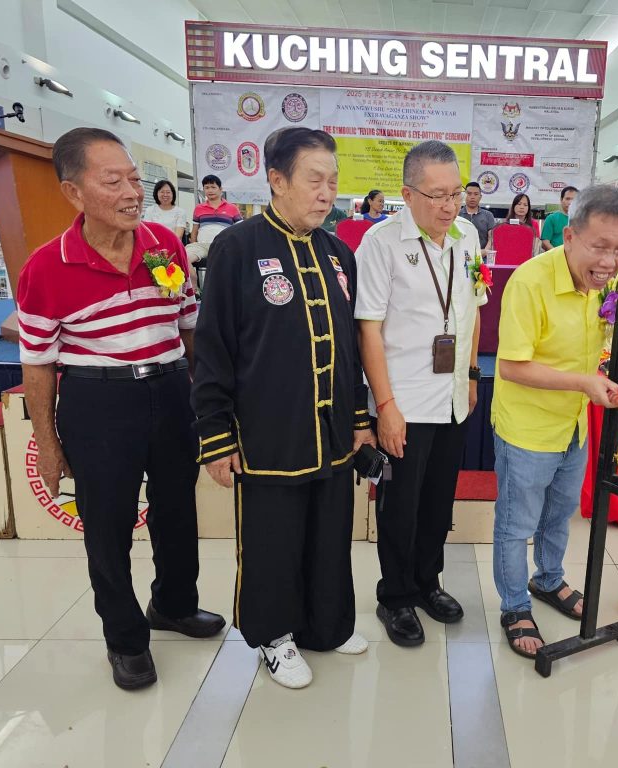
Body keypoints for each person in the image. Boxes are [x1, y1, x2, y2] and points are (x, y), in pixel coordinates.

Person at [17, 127, 225, 691]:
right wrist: (49, 444)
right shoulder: (46, 267)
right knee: (107, 526)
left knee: (177, 508)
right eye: (114, 181)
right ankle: (125, 639)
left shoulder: (165, 245)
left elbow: (190, 328)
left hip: (171, 390)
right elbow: (36, 365)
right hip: (98, 401)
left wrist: (206, 405)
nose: (133, 191)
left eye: (134, 177)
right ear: (74, 192)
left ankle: (175, 604)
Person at [191, 127, 374, 689]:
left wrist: (361, 420)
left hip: (333, 429)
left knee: (328, 534)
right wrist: (217, 438)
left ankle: (327, 625)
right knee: (273, 541)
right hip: (268, 430)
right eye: (314, 180)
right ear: (277, 180)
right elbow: (213, 348)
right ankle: (273, 637)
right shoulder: (238, 249)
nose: (327, 193)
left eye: (333, 182)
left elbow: (351, 350)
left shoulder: (338, 252)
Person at [492, 185, 618, 658]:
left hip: (574, 426)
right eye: (600, 247)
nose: (610, 261)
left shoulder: (605, 284)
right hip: (528, 430)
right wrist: (583, 383)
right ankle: (514, 606)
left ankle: (548, 581)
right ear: (569, 236)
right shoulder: (531, 283)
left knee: (559, 516)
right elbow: (511, 365)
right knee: (517, 524)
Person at [356, 141, 485, 647]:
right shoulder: (381, 243)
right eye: (436, 195)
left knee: (437, 502)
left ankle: (429, 582)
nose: (449, 205)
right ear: (407, 194)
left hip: (452, 397)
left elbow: (471, 313)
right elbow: (368, 330)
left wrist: (472, 376)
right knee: (399, 505)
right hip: (403, 402)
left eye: (455, 193)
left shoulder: (468, 237)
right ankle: (396, 596)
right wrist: (383, 408)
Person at [184, 175, 242, 266]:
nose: (210, 190)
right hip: (202, 246)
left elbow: (240, 231)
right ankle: (194, 280)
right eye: (207, 188)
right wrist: (194, 244)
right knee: (183, 259)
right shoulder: (198, 208)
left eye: (213, 187)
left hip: (224, 247)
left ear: (220, 189)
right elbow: (194, 231)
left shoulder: (232, 208)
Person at [460, 181, 496, 251]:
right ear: (464, 195)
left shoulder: (488, 215)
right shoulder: (457, 214)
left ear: (480, 197)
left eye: (476, 194)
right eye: (469, 194)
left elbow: (491, 237)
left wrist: (485, 252)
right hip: (460, 255)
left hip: (482, 255)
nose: (472, 197)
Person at [541, 186, 578, 251]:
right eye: (567, 199)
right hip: (555, 258)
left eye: (573, 200)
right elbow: (545, 242)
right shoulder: (551, 218)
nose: (570, 202)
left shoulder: (583, 220)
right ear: (561, 200)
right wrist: (558, 255)